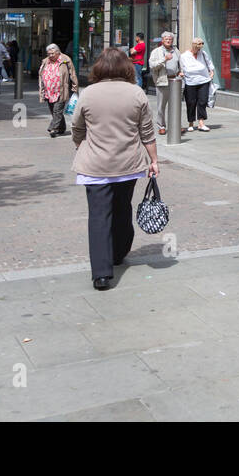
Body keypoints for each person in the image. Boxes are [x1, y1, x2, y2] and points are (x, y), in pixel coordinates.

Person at [70, 47, 160, 291]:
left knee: (99, 216)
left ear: (99, 67)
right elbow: (147, 133)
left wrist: (82, 146)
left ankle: (101, 274)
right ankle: (119, 252)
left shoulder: (88, 94)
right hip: (127, 164)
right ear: (126, 67)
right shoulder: (137, 93)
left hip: (95, 165)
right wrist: (153, 160)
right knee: (122, 209)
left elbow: (76, 127)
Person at [38, 43, 79, 137]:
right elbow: (41, 76)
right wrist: (42, 90)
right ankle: (62, 127)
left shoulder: (66, 60)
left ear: (58, 52)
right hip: (49, 91)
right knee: (54, 111)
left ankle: (53, 128)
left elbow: (72, 74)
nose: (51, 56)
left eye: (52, 53)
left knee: (57, 110)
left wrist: (75, 87)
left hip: (61, 90)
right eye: (49, 54)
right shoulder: (45, 61)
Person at [179, 37, 215, 132]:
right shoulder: (184, 56)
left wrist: (211, 71)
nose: (198, 50)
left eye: (200, 48)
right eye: (197, 48)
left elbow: (209, 63)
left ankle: (201, 123)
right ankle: (191, 122)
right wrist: (181, 73)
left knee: (202, 101)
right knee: (191, 102)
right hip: (190, 82)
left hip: (203, 80)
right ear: (193, 46)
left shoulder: (203, 53)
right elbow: (181, 67)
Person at [148, 31, 180, 136]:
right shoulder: (156, 51)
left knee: (175, 105)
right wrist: (164, 59)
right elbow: (152, 65)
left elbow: (180, 64)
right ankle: (161, 126)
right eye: (166, 39)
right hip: (162, 81)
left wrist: (180, 72)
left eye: (170, 39)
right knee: (161, 106)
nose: (168, 41)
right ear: (162, 40)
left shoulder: (176, 51)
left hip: (174, 81)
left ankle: (175, 126)